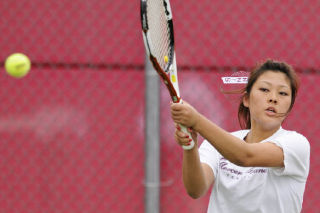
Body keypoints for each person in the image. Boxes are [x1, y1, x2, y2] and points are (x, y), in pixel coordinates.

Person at [170, 59, 310, 213]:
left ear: (289, 107)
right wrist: (190, 147)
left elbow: (245, 156)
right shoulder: (218, 144)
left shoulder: (296, 144)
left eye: (283, 93)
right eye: (264, 89)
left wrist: (196, 121)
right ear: (246, 99)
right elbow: (196, 189)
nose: (273, 98)